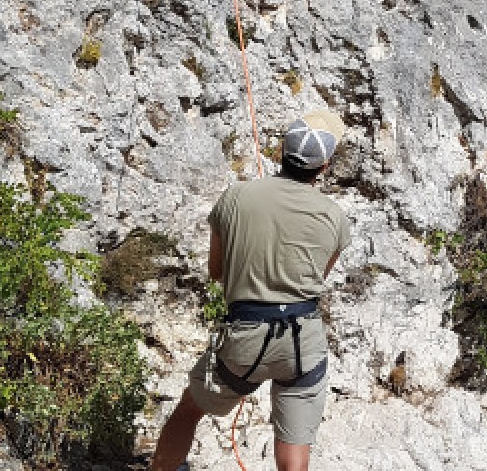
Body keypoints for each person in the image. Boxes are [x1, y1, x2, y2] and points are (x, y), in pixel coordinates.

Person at [150, 111, 351, 471]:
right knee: (294, 452)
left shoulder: (236, 196)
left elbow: (216, 271)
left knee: (188, 410)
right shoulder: (334, 216)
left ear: (279, 153)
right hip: (302, 341)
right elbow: (316, 278)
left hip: (245, 339)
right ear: (324, 168)